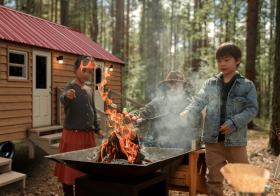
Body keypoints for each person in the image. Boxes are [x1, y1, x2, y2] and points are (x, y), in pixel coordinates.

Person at [180, 42, 258, 196]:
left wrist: (233, 123)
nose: (222, 64)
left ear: (238, 60)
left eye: (226, 60)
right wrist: (188, 111)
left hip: (235, 141)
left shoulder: (247, 85)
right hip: (212, 141)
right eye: (219, 60)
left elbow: (252, 109)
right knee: (214, 179)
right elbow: (198, 101)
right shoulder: (210, 84)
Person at [125, 71, 203, 185]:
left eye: (176, 87)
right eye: (168, 88)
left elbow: (196, 130)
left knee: (165, 162)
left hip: (179, 150)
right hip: (154, 145)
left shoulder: (191, 106)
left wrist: (187, 121)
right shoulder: (158, 102)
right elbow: (144, 113)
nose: (171, 91)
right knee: (131, 152)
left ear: (184, 89)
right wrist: (133, 117)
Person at [53, 56, 105, 196]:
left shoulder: (89, 90)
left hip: (88, 136)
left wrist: (98, 129)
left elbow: (92, 112)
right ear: (75, 69)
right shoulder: (70, 86)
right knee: (70, 169)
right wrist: (68, 97)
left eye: (90, 72)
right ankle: (68, 194)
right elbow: (64, 99)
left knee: (86, 169)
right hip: (73, 135)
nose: (86, 75)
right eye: (84, 70)